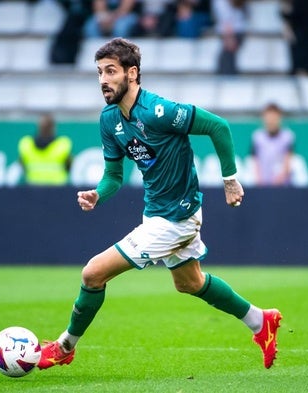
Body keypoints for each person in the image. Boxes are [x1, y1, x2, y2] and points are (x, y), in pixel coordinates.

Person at [37, 37, 282, 371]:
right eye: (99, 72)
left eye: (111, 71)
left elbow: (217, 126)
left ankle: (65, 345)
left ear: (132, 73)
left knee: (93, 273)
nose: (103, 80)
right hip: (157, 211)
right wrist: (98, 193)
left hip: (175, 218)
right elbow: (113, 175)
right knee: (190, 283)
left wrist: (230, 179)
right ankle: (260, 321)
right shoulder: (109, 120)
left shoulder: (159, 111)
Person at [18, 114, 72, 186]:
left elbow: (22, 165)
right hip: (57, 188)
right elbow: (69, 166)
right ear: (53, 128)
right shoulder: (63, 144)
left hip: (33, 186)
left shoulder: (26, 144)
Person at [251, 103, 295, 186]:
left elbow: (288, 161)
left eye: (274, 118)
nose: (271, 121)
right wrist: (259, 181)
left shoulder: (288, 136)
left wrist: (280, 179)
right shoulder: (257, 137)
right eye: (268, 118)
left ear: (279, 119)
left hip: (282, 186)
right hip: (262, 186)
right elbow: (255, 161)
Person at [212, 0, 247, 75]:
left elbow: (227, 18)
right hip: (235, 31)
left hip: (232, 32)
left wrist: (229, 37)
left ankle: (229, 83)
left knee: (226, 62)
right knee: (227, 60)